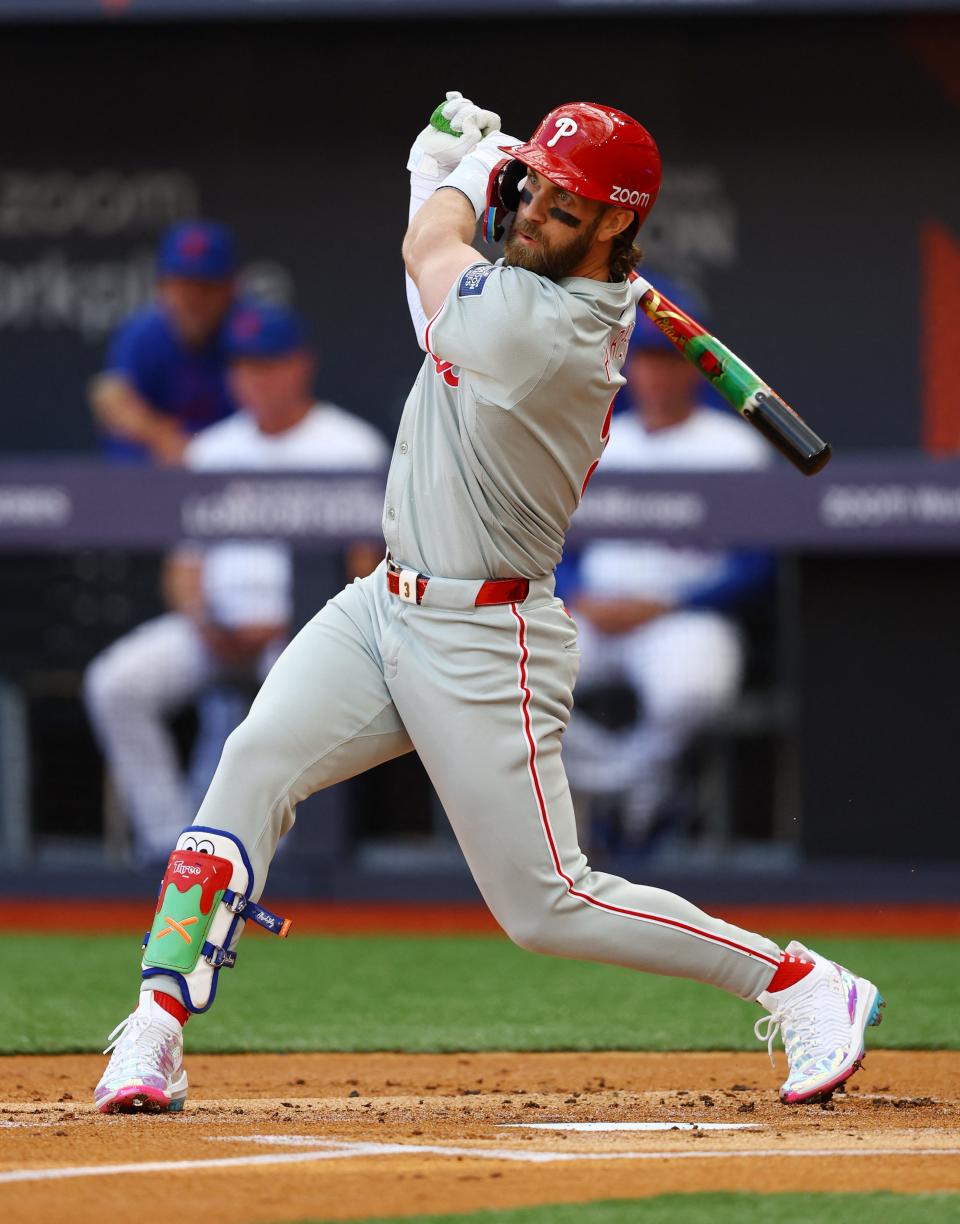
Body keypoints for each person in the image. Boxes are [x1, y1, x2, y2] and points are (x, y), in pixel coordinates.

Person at [94, 92, 883, 1115]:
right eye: (538, 188)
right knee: (252, 762)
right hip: (384, 604)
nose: (539, 208)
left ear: (618, 225)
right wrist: (458, 174)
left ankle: (800, 983)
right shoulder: (514, 291)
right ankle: (156, 1025)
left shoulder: (547, 330)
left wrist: (457, 175)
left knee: (547, 906)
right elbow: (438, 309)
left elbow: (434, 252)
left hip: (486, 634)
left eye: (569, 202)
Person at [84, 301, 389, 865]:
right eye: (244, 365)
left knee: (294, 685)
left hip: (305, 632)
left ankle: (276, 852)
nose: (256, 378)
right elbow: (184, 570)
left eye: (269, 363)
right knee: (115, 682)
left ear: (301, 365)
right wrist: (203, 620)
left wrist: (297, 626)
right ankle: (172, 847)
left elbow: (367, 573)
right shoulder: (211, 450)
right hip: (215, 629)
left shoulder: (351, 445)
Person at [562, 287, 774, 845]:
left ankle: (628, 791)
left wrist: (670, 604)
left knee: (693, 692)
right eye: (646, 359)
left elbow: (759, 566)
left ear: (694, 370)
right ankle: (636, 783)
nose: (654, 375)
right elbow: (552, 544)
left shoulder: (734, 447)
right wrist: (578, 593)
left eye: (667, 360)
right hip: (596, 612)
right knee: (506, 681)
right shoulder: (600, 440)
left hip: (682, 614)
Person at [89, 220, 240, 464]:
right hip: (149, 480)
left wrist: (195, 454)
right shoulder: (141, 335)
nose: (193, 299)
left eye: (205, 286)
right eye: (183, 285)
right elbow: (111, 400)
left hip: (235, 481)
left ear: (230, 287)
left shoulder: (248, 331)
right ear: (162, 286)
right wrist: (160, 434)